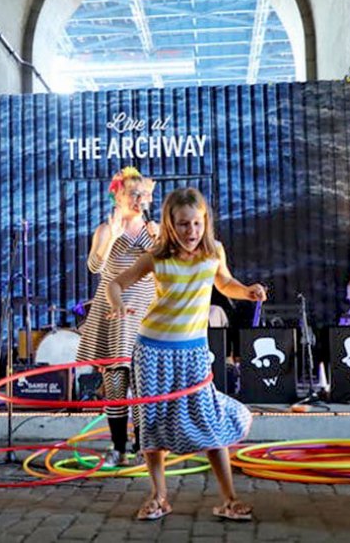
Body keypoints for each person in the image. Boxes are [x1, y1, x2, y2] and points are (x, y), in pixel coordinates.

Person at [106, 187, 267, 522]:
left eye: (196, 223)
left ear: (204, 222)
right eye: (182, 225)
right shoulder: (157, 257)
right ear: (169, 224)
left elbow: (225, 284)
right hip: (152, 350)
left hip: (193, 351)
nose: (191, 232)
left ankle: (230, 499)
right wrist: (119, 306)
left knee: (208, 421)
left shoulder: (213, 253)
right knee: (151, 425)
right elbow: (115, 284)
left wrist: (248, 292)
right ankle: (159, 497)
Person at [76, 166, 157, 467]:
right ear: (118, 196)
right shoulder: (106, 229)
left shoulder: (154, 229)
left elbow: (167, 266)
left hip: (145, 312)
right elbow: (95, 267)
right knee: (115, 381)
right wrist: (113, 236)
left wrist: (159, 238)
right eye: (134, 195)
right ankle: (118, 446)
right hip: (113, 312)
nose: (140, 200)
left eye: (145, 195)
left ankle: (141, 445)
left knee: (143, 382)